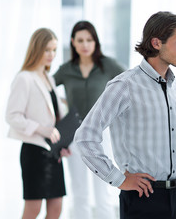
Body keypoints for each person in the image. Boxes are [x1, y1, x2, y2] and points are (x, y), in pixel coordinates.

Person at [73, 11, 176, 219]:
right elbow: (85, 136)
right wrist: (118, 179)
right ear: (157, 43)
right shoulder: (125, 86)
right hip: (142, 197)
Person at [54, 20, 125, 219]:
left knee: (103, 190)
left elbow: (131, 83)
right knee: (79, 193)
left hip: (103, 135)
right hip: (75, 136)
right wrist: (60, 108)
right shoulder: (66, 69)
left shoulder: (108, 66)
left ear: (95, 42)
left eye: (89, 40)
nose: (85, 44)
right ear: (73, 43)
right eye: (80, 40)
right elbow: (46, 90)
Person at [5, 28, 70, 219]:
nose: (51, 55)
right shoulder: (24, 78)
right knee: (33, 208)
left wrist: (62, 144)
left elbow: (53, 116)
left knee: (56, 206)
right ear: (36, 49)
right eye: (47, 50)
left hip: (52, 151)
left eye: (54, 50)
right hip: (34, 152)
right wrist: (41, 130)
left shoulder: (48, 78)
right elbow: (12, 116)